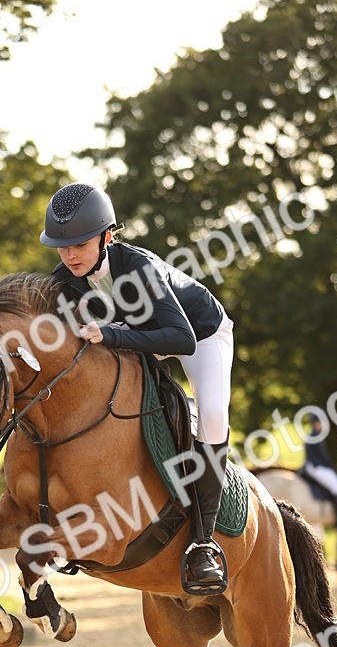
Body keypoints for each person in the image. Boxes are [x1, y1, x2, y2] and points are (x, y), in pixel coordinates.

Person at [40, 181, 234, 594]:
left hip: (200, 335)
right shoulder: (64, 280)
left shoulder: (138, 267)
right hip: (139, 335)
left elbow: (179, 339)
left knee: (213, 416)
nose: (70, 255)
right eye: (62, 246)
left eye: (80, 244)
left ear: (107, 237)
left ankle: (203, 544)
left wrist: (111, 335)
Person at [300, 415, 337, 529]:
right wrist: (332, 467)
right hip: (316, 467)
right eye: (320, 422)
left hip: (314, 466)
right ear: (316, 423)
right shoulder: (315, 437)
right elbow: (322, 457)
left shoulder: (315, 436)